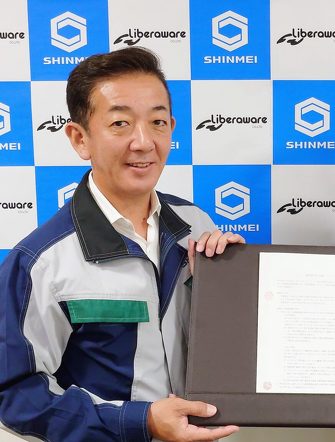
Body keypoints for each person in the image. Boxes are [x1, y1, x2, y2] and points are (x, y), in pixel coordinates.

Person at [0, 47, 243, 441]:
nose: (144, 142)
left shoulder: (196, 226)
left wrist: (234, 279)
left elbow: (221, 343)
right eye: (120, 123)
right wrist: (141, 422)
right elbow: (14, 394)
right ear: (80, 138)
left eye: (157, 122)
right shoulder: (41, 261)